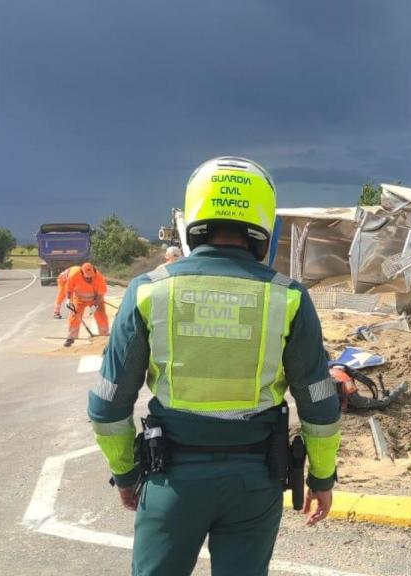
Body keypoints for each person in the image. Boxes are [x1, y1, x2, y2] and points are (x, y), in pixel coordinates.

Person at [88, 156, 340, 575]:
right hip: (254, 483)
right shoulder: (289, 297)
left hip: (170, 480)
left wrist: (126, 474)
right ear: (264, 221)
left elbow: (107, 404)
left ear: (194, 215)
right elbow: (319, 401)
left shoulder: (149, 291)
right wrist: (322, 478)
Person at [64, 262, 109, 346]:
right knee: (74, 316)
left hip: (95, 299)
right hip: (79, 299)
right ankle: (71, 337)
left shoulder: (99, 277)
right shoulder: (74, 275)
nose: (89, 279)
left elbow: (100, 295)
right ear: (82, 273)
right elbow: (69, 289)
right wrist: (68, 300)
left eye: (91, 277)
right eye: (87, 278)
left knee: (101, 315)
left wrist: (95, 306)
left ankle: (104, 335)